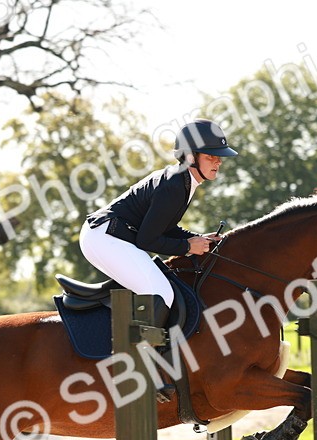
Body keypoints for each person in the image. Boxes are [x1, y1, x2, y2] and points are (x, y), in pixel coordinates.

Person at [78, 119, 236, 401]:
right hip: (104, 236)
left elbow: (164, 229)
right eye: (211, 156)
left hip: (111, 235)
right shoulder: (176, 182)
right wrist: (188, 246)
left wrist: (198, 238)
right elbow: (148, 241)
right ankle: (143, 370)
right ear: (190, 156)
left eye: (219, 157)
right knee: (159, 292)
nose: (218, 162)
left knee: (162, 288)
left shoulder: (183, 180)